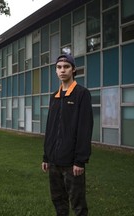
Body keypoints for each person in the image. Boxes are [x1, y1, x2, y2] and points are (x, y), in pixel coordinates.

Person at [41, 54, 93, 216]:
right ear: (56, 71)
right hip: (54, 161)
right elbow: (50, 129)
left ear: (73, 69)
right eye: (59, 67)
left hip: (72, 163)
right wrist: (46, 157)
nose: (62, 70)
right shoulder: (54, 97)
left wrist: (80, 160)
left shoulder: (82, 94)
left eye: (66, 67)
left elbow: (85, 128)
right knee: (58, 200)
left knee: (78, 204)